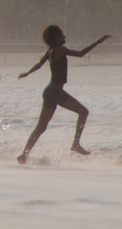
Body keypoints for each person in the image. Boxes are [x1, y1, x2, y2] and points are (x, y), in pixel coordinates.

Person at [17, 25, 110, 163]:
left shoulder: (50, 51)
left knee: (83, 112)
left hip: (56, 92)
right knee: (42, 126)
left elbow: (38, 64)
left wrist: (27, 73)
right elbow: (79, 54)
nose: (64, 37)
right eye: (62, 35)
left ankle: (75, 144)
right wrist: (98, 41)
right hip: (53, 92)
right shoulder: (59, 49)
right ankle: (24, 154)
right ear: (56, 38)